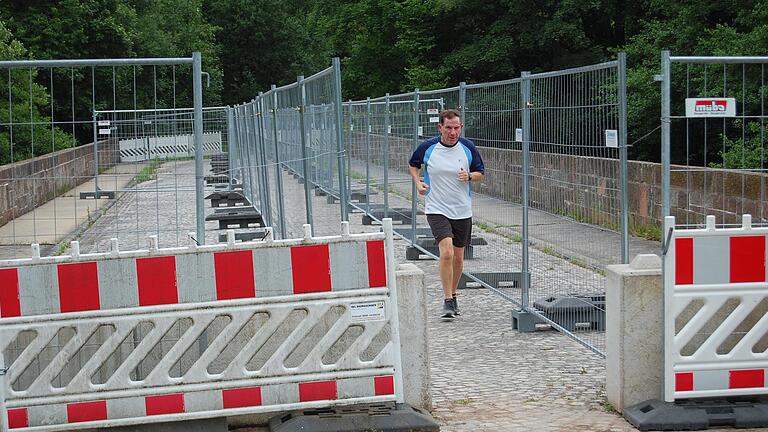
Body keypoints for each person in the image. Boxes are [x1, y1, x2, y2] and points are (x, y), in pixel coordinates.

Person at [408, 109, 485, 320]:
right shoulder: (428, 148)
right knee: (447, 252)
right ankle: (447, 300)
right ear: (440, 127)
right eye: (449, 128)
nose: (453, 132)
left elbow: (481, 174)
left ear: (461, 127)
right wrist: (418, 183)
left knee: (459, 257)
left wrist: (469, 176)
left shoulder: (467, 147)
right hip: (436, 208)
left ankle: (453, 294)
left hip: (461, 209)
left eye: (456, 128)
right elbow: (413, 164)